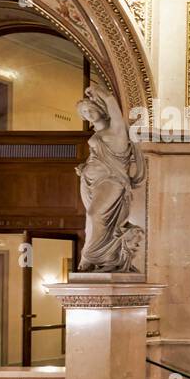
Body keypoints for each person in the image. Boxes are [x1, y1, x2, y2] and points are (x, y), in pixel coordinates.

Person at [75, 86, 147, 273]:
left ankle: (94, 255)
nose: (88, 114)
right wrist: (85, 167)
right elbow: (96, 157)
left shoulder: (117, 131)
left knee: (96, 215)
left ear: (101, 109)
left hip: (112, 180)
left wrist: (105, 96)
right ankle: (95, 258)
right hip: (91, 182)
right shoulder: (96, 135)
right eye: (84, 113)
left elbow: (115, 112)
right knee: (90, 221)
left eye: (91, 109)